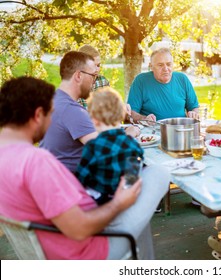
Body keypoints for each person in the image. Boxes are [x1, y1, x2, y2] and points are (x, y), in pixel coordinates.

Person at [0, 76, 168, 259]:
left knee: (137, 208)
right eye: (51, 115)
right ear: (38, 115)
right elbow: (79, 229)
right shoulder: (35, 161)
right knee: (159, 171)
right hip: (89, 250)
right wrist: (119, 203)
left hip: (57, 247)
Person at [39, 51, 139, 173]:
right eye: (93, 76)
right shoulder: (72, 110)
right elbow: (106, 153)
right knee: (156, 171)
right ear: (78, 76)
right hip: (74, 183)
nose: (94, 81)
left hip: (53, 176)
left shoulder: (52, 100)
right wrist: (129, 134)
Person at [75, 87, 144, 205]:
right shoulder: (133, 145)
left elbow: (81, 178)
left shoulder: (93, 146)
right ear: (121, 115)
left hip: (99, 203)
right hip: (127, 200)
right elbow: (132, 178)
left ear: (94, 120)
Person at [127, 47, 199, 122]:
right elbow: (132, 112)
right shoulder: (141, 81)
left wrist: (194, 113)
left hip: (180, 129)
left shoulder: (182, 79)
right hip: (152, 130)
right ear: (151, 66)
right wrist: (144, 119)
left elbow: (194, 107)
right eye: (160, 65)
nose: (165, 68)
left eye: (168, 64)